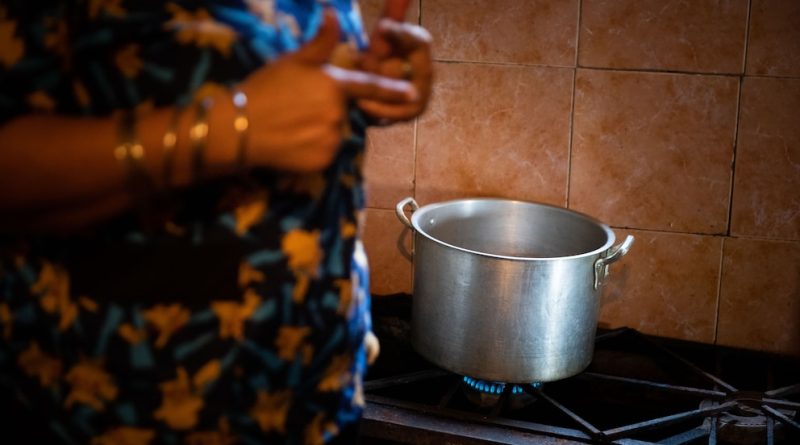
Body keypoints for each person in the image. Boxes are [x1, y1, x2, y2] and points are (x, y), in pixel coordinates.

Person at [0, 0, 432, 443]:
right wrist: (230, 128)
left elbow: (269, 84)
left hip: (318, 394)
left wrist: (365, 84)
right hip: (132, 407)